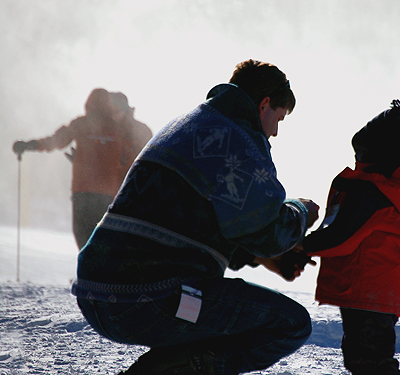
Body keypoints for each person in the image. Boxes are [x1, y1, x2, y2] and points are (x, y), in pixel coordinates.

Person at [71, 59, 320, 375]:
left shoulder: (187, 125)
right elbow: (269, 234)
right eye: (279, 119)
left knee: (206, 313)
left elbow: (211, 225)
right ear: (265, 104)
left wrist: (265, 260)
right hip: (153, 299)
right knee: (289, 324)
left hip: (97, 293)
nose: (275, 132)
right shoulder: (237, 141)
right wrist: (301, 212)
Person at [282, 100, 400, 374]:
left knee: (370, 363)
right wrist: (306, 249)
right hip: (368, 289)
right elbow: (338, 229)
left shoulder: (372, 192)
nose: (357, 155)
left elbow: (342, 237)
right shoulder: (370, 187)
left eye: (362, 151)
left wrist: (302, 245)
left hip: (369, 289)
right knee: (363, 358)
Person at [12, 88, 153, 250]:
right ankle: (97, 273)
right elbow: (128, 161)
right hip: (109, 195)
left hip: (85, 191)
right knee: (102, 241)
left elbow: (56, 140)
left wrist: (31, 145)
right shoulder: (119, 130)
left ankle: (90, 272)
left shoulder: (83, 124)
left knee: (84, 238)